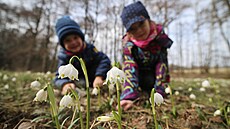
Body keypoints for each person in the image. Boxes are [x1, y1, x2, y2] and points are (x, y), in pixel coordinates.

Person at [119, 1, 173, 111]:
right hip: (138, 77)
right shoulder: (129, 46)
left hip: (153, 78)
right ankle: (136, 92)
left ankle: (154, 91)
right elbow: (129, 68)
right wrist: (129, 96)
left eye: (141, 24)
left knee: (151, 80)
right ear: (128, 32)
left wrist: (159, 93)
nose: (139, 30)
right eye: (133, 28)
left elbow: (162, 66)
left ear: (148, 20)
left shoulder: (160, 40)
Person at [54, 16, 111, 95]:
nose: (73, 42)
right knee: (80, 83)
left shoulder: (91, 50)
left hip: (96, 80)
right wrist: (65, 84)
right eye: (68, 40)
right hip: (81, 81)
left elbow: (104, 60)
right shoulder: (64, 57)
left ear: (81, 38)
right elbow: (58, 77)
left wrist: (99, 76)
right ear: (63, 45)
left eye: (75, 38)